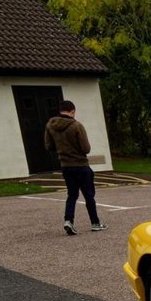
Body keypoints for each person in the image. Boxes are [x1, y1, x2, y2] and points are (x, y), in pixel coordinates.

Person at [43, 100, 105, 235]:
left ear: (60, 111)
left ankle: (68, 221)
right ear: (72, 111)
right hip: (81, 165)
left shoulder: (51, 126)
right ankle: (95, 223)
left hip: (66, 165)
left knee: (72, 195)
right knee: (89, 195)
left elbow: (49, 146)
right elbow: (86, 148)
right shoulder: (77, 126)